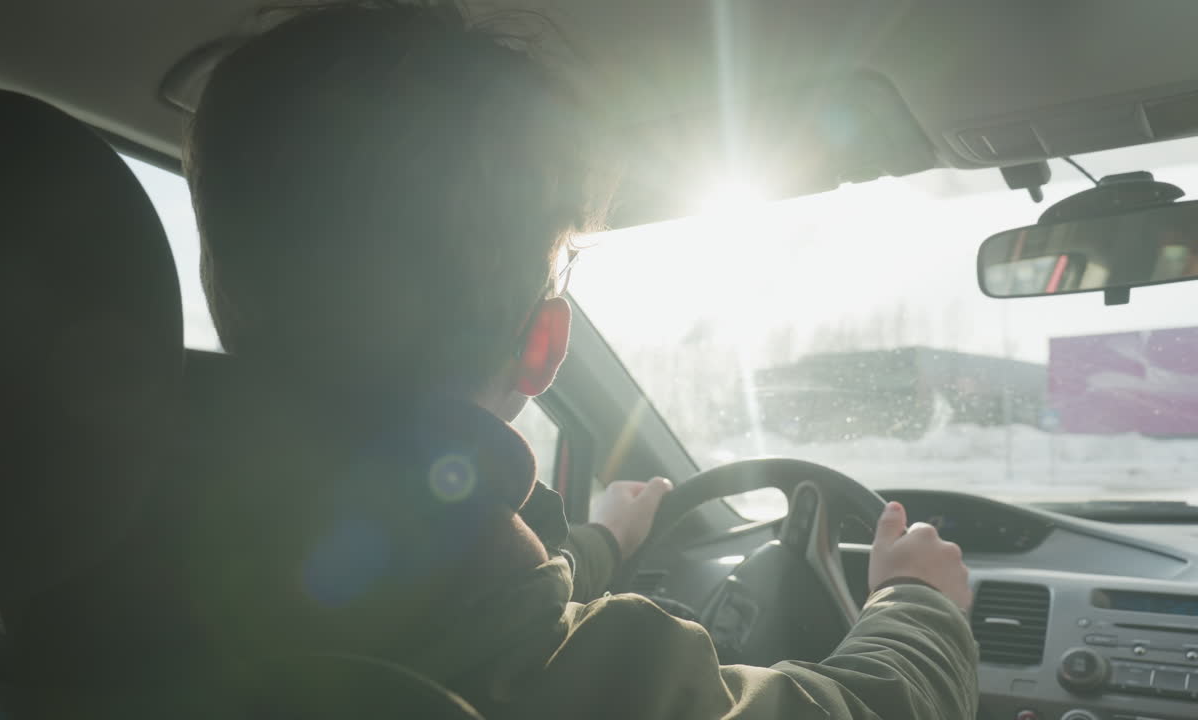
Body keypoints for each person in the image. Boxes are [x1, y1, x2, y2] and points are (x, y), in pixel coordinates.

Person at [183, 2, 979, 717]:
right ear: (544, 345)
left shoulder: (116, 531)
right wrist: (919, 605)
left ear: (221, 280)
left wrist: (600, 546)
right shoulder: (537, 665)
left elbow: (483, 588)